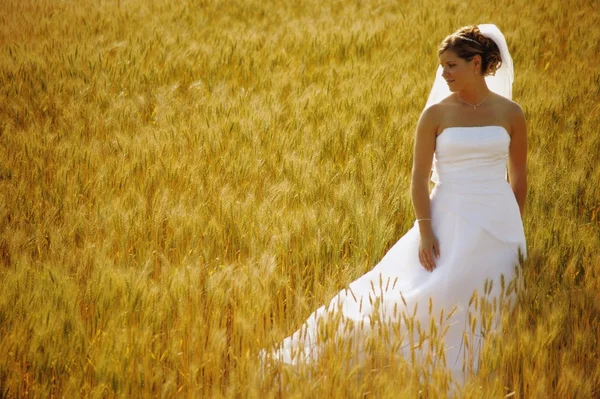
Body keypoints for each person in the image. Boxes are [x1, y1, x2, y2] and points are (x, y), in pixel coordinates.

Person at [260, 23, 527, 387]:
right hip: (448, 216)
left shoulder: (511, 113)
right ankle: (425, 375)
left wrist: (514, 229)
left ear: (476, 63)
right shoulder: (435, 115)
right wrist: (426, 230)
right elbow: (418, 179)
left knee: (488, 302)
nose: (444, 74)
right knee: (426, 293)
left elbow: (519, 177)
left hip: (499, 224)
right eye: (442, 66)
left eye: (451, 66)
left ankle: (481, 381)